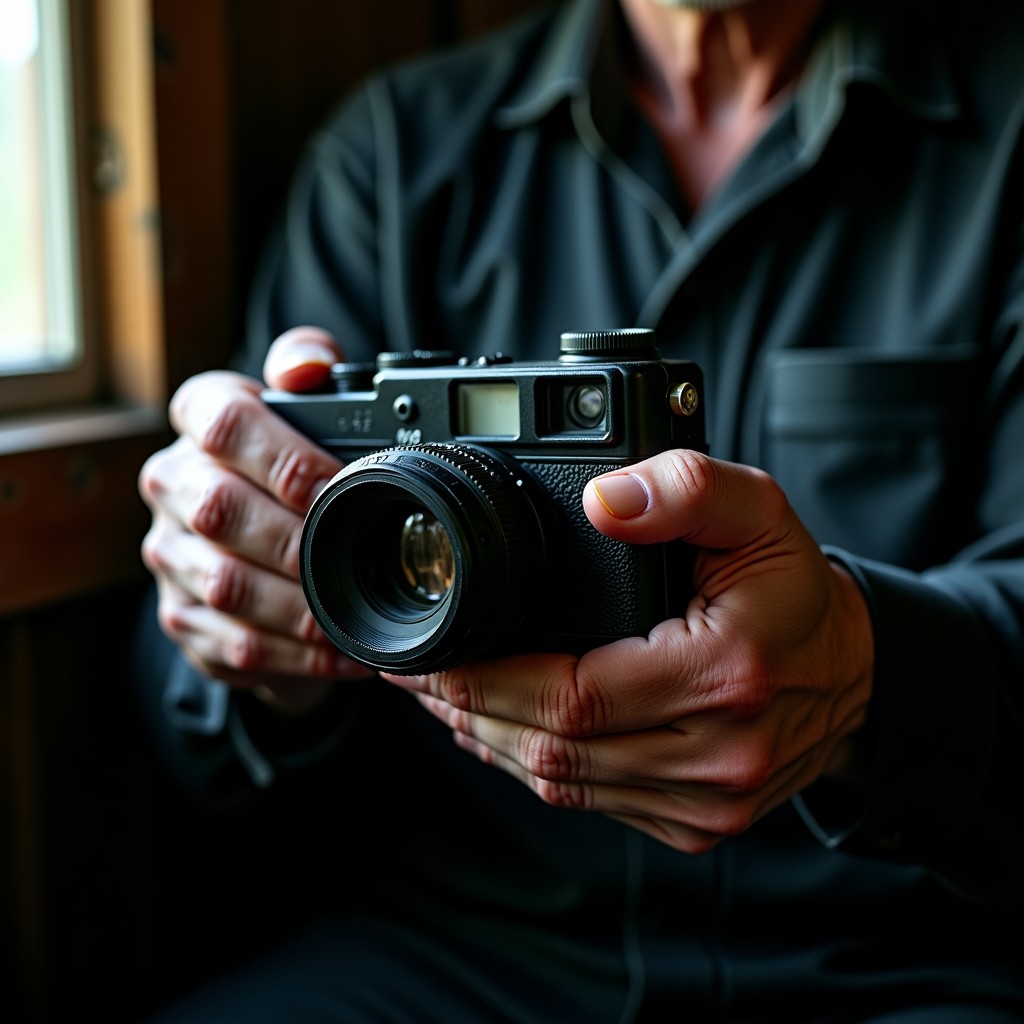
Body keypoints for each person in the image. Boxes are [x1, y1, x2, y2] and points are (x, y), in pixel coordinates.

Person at [135, 0, 1024, 1019]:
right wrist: (243, 619)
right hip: (462, 948)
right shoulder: (395, 158)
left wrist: (864, 674)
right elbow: (201, 727)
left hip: (901, 959)